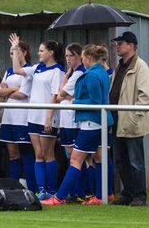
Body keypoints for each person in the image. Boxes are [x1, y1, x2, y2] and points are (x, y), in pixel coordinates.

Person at [41, 44, 113, 206]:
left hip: (91, 123)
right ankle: (104, 195)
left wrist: (76, 102)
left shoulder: (92, 75)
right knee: (101, 158)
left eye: (82, 59)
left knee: (75, 160)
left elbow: (95, 102)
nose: (82, 62)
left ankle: (58, 198)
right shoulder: (101, 71)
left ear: (88, 58)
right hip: (99, 122)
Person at [10, 33, 65, 200]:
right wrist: (15, 47)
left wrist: (49, 118)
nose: (39, 53)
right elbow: (16, 70)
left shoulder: (57, 70)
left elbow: (55, 96)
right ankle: (42, 191)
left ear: (51, 52)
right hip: (32, 117)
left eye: (42, 50)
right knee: (38, 154)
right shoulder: (37, 68)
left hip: (46, 117)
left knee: (48, 154)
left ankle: (52, 190)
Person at [109, 31, 149, 206]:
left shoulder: (140, 66)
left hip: (130, 121)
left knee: (135, 161)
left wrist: (134, 116)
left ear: (131, 46)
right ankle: (127, 193)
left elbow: (147, 97)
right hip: (118, 121)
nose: (118, 47)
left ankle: (139, 196)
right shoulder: (120, 66)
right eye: (118, 44)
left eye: (121, 43)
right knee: (121, 161)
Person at [0, 39, 37, 193]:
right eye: (10, 53)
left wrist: (9, 91)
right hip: (8, 118)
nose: (12, 55)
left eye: (15, 52)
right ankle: (13, 189)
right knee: (13, 154)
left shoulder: (30, 70)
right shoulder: (8, 71)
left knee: (27, 154)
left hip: (23, 118)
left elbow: (22, 94)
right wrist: (13, 89)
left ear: (24, 53)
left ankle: (32, 189)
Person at [56, 43, 86, 202]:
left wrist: (66, 79)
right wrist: (66, 95)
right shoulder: (73, 73)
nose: (68, 59)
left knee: (75, 157)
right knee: (70, 155)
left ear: (79, 56)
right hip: (66, 119)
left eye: (71, 56)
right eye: (66, 56)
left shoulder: (79, 73)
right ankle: (74, 191)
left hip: (73, 120)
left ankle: (78, 192)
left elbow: (61, 93)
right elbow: (60, 96)